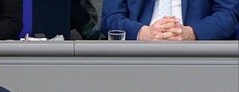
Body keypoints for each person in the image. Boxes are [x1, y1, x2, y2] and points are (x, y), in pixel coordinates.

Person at [101, 0, 239, 40]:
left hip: (198, 53)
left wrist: (193, 33)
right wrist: (143, 33)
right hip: (138, 53)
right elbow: (111, 18)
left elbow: (229, 14)